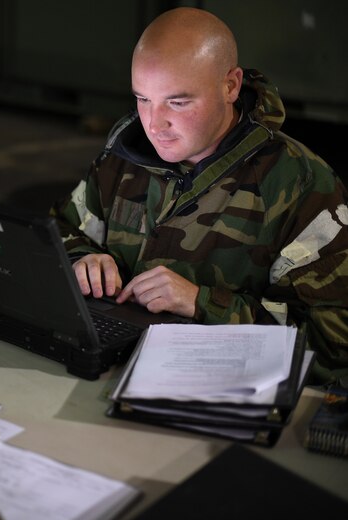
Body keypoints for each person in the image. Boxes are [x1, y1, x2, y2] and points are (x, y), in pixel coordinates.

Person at [52, 7, 348, 384]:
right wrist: (82, 258)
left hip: (217, 391)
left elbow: (334, 341)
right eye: (143, 99)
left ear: (230, 86)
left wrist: (202, 303)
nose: (154, 125)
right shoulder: (126, 158)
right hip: (109, 370)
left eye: (177, 102)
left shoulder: (299, 185)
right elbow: (58, 228)